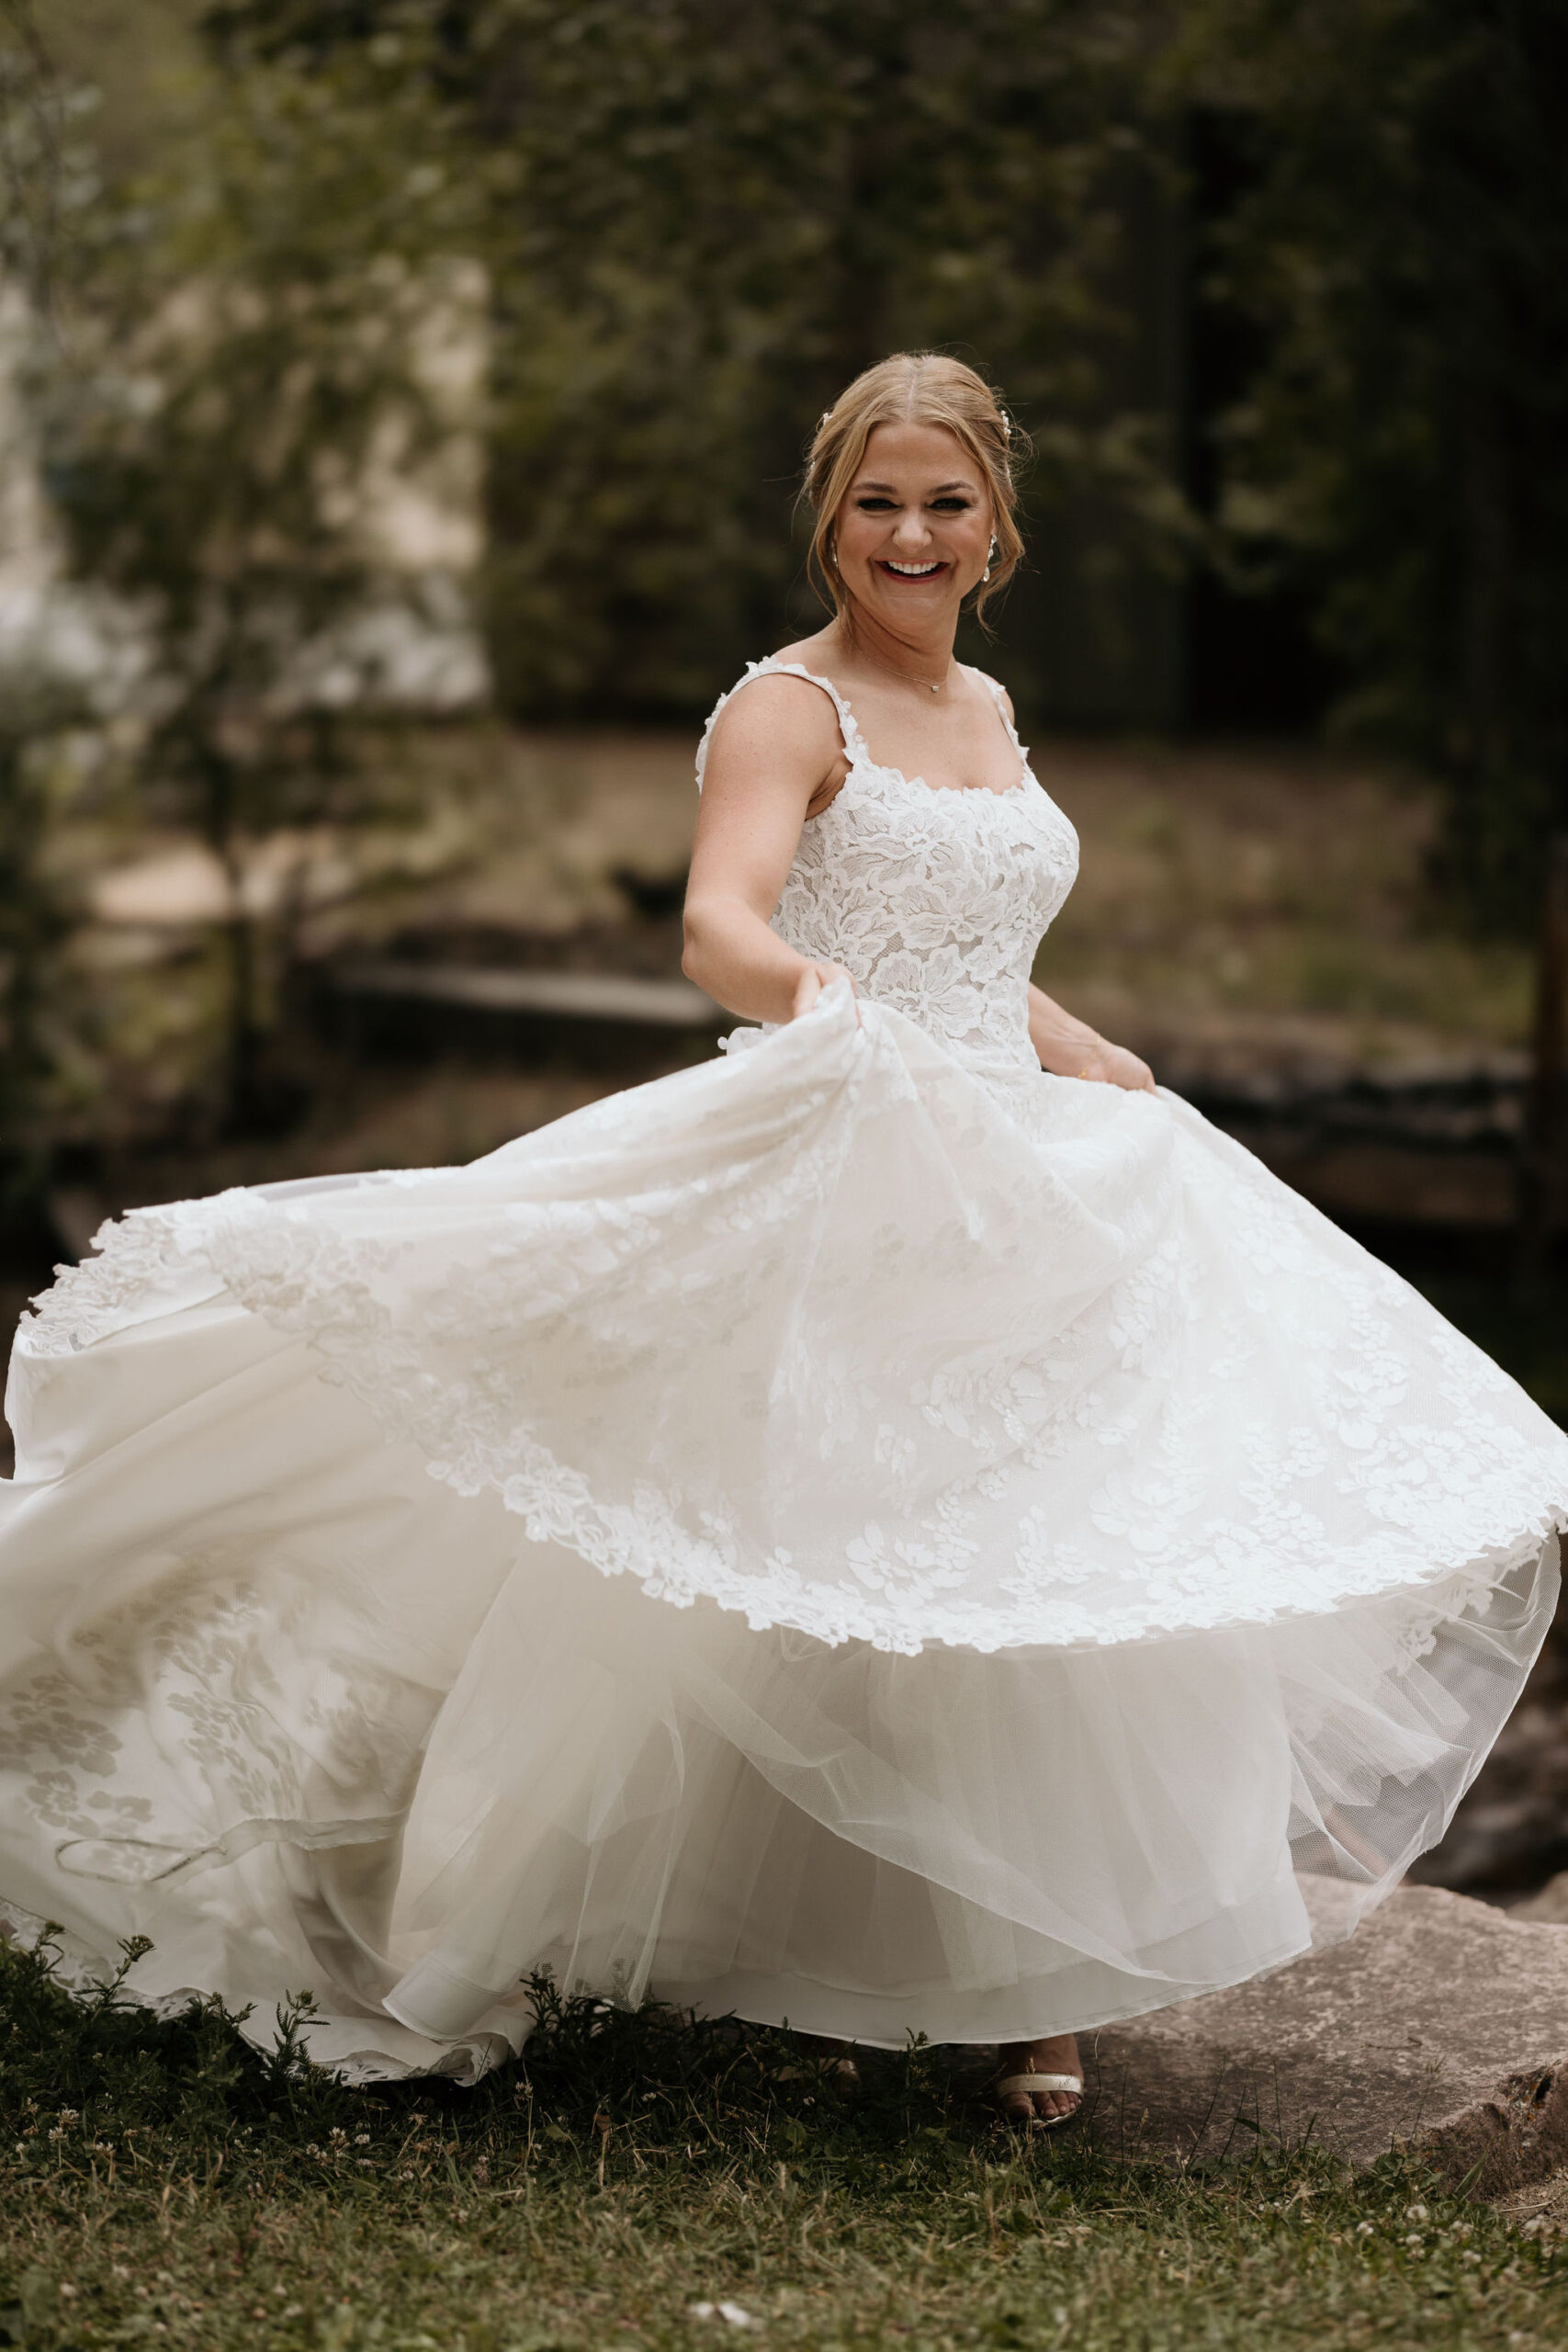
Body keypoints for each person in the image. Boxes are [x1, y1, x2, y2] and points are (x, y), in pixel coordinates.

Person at [0, 354, 1562, 2124]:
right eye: (875, 500)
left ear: (996, 525)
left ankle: (1025, 1988)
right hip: (853, 1153)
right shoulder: (788, 709)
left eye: (944, 502)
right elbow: (720, 926)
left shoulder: (986, 710)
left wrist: (1080, 1047)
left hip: (1020, 1175)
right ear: (831, 513)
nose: (909, 533)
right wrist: (841, 1016)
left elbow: (974, 932)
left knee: (1038, 1556)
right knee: (827, 1560)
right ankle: (781, 1945)